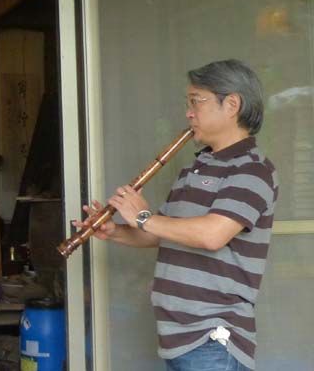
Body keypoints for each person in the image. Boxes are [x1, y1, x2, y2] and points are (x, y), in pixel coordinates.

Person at [74, 59, 278, 371]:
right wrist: (114, 230)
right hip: (177, 338)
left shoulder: (252, 169)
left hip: (214, 338)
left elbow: (212, 235)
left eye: (196, 101)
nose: (188, 113)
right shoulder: (196, 168)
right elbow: (160, 233)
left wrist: (142, 216)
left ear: (232, 105)